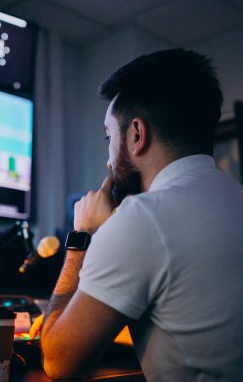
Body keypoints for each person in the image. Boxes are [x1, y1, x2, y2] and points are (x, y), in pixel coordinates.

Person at [40, 49, 243, 381]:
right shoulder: (233, 197)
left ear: (136, 135)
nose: (108, 159)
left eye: (109, 136)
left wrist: (82, 238)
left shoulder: (142, 218)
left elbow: (58, 362)